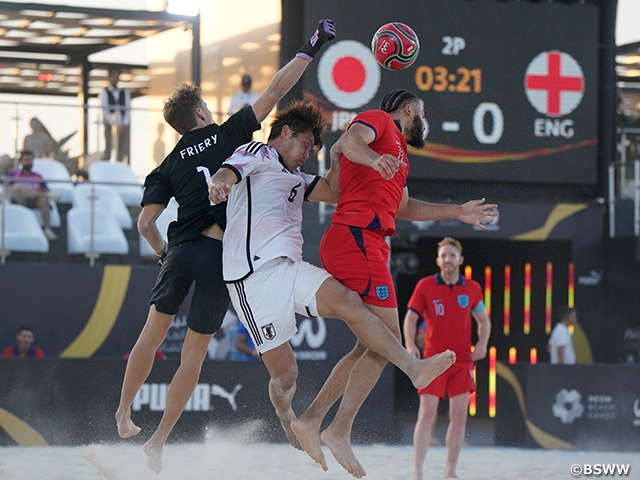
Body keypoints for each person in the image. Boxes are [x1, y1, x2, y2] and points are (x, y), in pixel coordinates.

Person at [114, 18, 337, 475]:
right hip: (222, 258)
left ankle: (122, 414)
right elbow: (276, 90)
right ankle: (157, 442)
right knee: (191, 356)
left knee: (151, 336)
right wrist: (310, 47)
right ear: (200, 114)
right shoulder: (226, 135)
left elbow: (144, 223)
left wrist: (163, 252)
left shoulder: (166, 164)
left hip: (182, 250)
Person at [208, 99, 456, 470]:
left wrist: (339, 161)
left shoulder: (298, 177)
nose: (309, 153)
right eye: (306, 144)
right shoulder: (257, 151)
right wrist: (218, 183)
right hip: (253, 279)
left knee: (350, 303)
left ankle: (400, 371)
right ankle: (285, 413)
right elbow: (230, 171)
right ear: (285, 133)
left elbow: (334, 191)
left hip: (291, 269)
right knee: (286, 375)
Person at [292, 89, 498, 478]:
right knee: (387, 342)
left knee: (372, 345)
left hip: (366, 241)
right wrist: (374, 157)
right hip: (358, 237)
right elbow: (349, 140)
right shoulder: (381, 121)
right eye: (423, 112)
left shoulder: (400, 156)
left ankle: (316, 421)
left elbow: (405, 208)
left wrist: (459, 212)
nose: (425, 119)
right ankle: (338, 426)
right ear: (408, 109)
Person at [402, 237, 491, 480]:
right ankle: (418, 471)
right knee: (427, 413)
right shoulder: (425, 286)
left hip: (462, 360)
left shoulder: (472, 288)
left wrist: (482, 344)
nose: (448, 259)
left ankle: (450, 471)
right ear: (437, 260)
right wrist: (410, 344)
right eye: (444, 255)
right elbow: (411, 318)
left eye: (452, 255)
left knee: (459, 416)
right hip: (434, 359)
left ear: (460, 259)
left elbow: (483, 320)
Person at [6, 150, 58, 241]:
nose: (28, 162)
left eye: (30, 160)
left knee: (43, 200)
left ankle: (47, 229)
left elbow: (46, 189)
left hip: (35, 200)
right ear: (21, 161)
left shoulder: (37, 176)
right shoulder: (14, 174)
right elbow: (7, 187)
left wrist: (41, 194)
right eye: (26, 160)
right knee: (17, 188)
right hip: (20, 200)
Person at [101, 66, 131, 162]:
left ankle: (120, 162)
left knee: (122, 147)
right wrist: (112, 122)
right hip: (110, 123)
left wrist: (124, 123)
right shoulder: (104, 92)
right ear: (109, 77)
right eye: (113, 75)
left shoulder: (124, 93)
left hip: (122, 124)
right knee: (109, 146)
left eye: (117, 76)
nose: (115, 78)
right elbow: (105, 110)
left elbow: (127, 109)